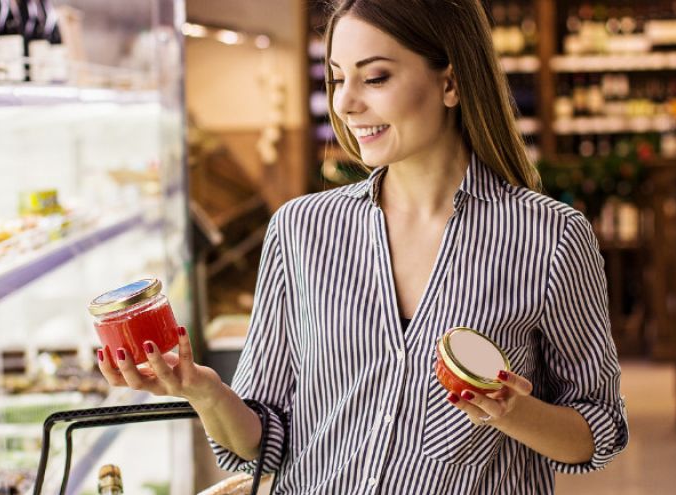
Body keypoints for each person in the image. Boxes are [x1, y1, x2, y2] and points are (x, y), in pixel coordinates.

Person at [97, 0, 629, 492]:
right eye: (336, 79)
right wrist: (206, 392)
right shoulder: (302, 230)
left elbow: (598, 429)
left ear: (451, 82)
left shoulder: (549, 237)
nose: (347, 103)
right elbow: (263, 443)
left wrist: (513, 412)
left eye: (375, 77)